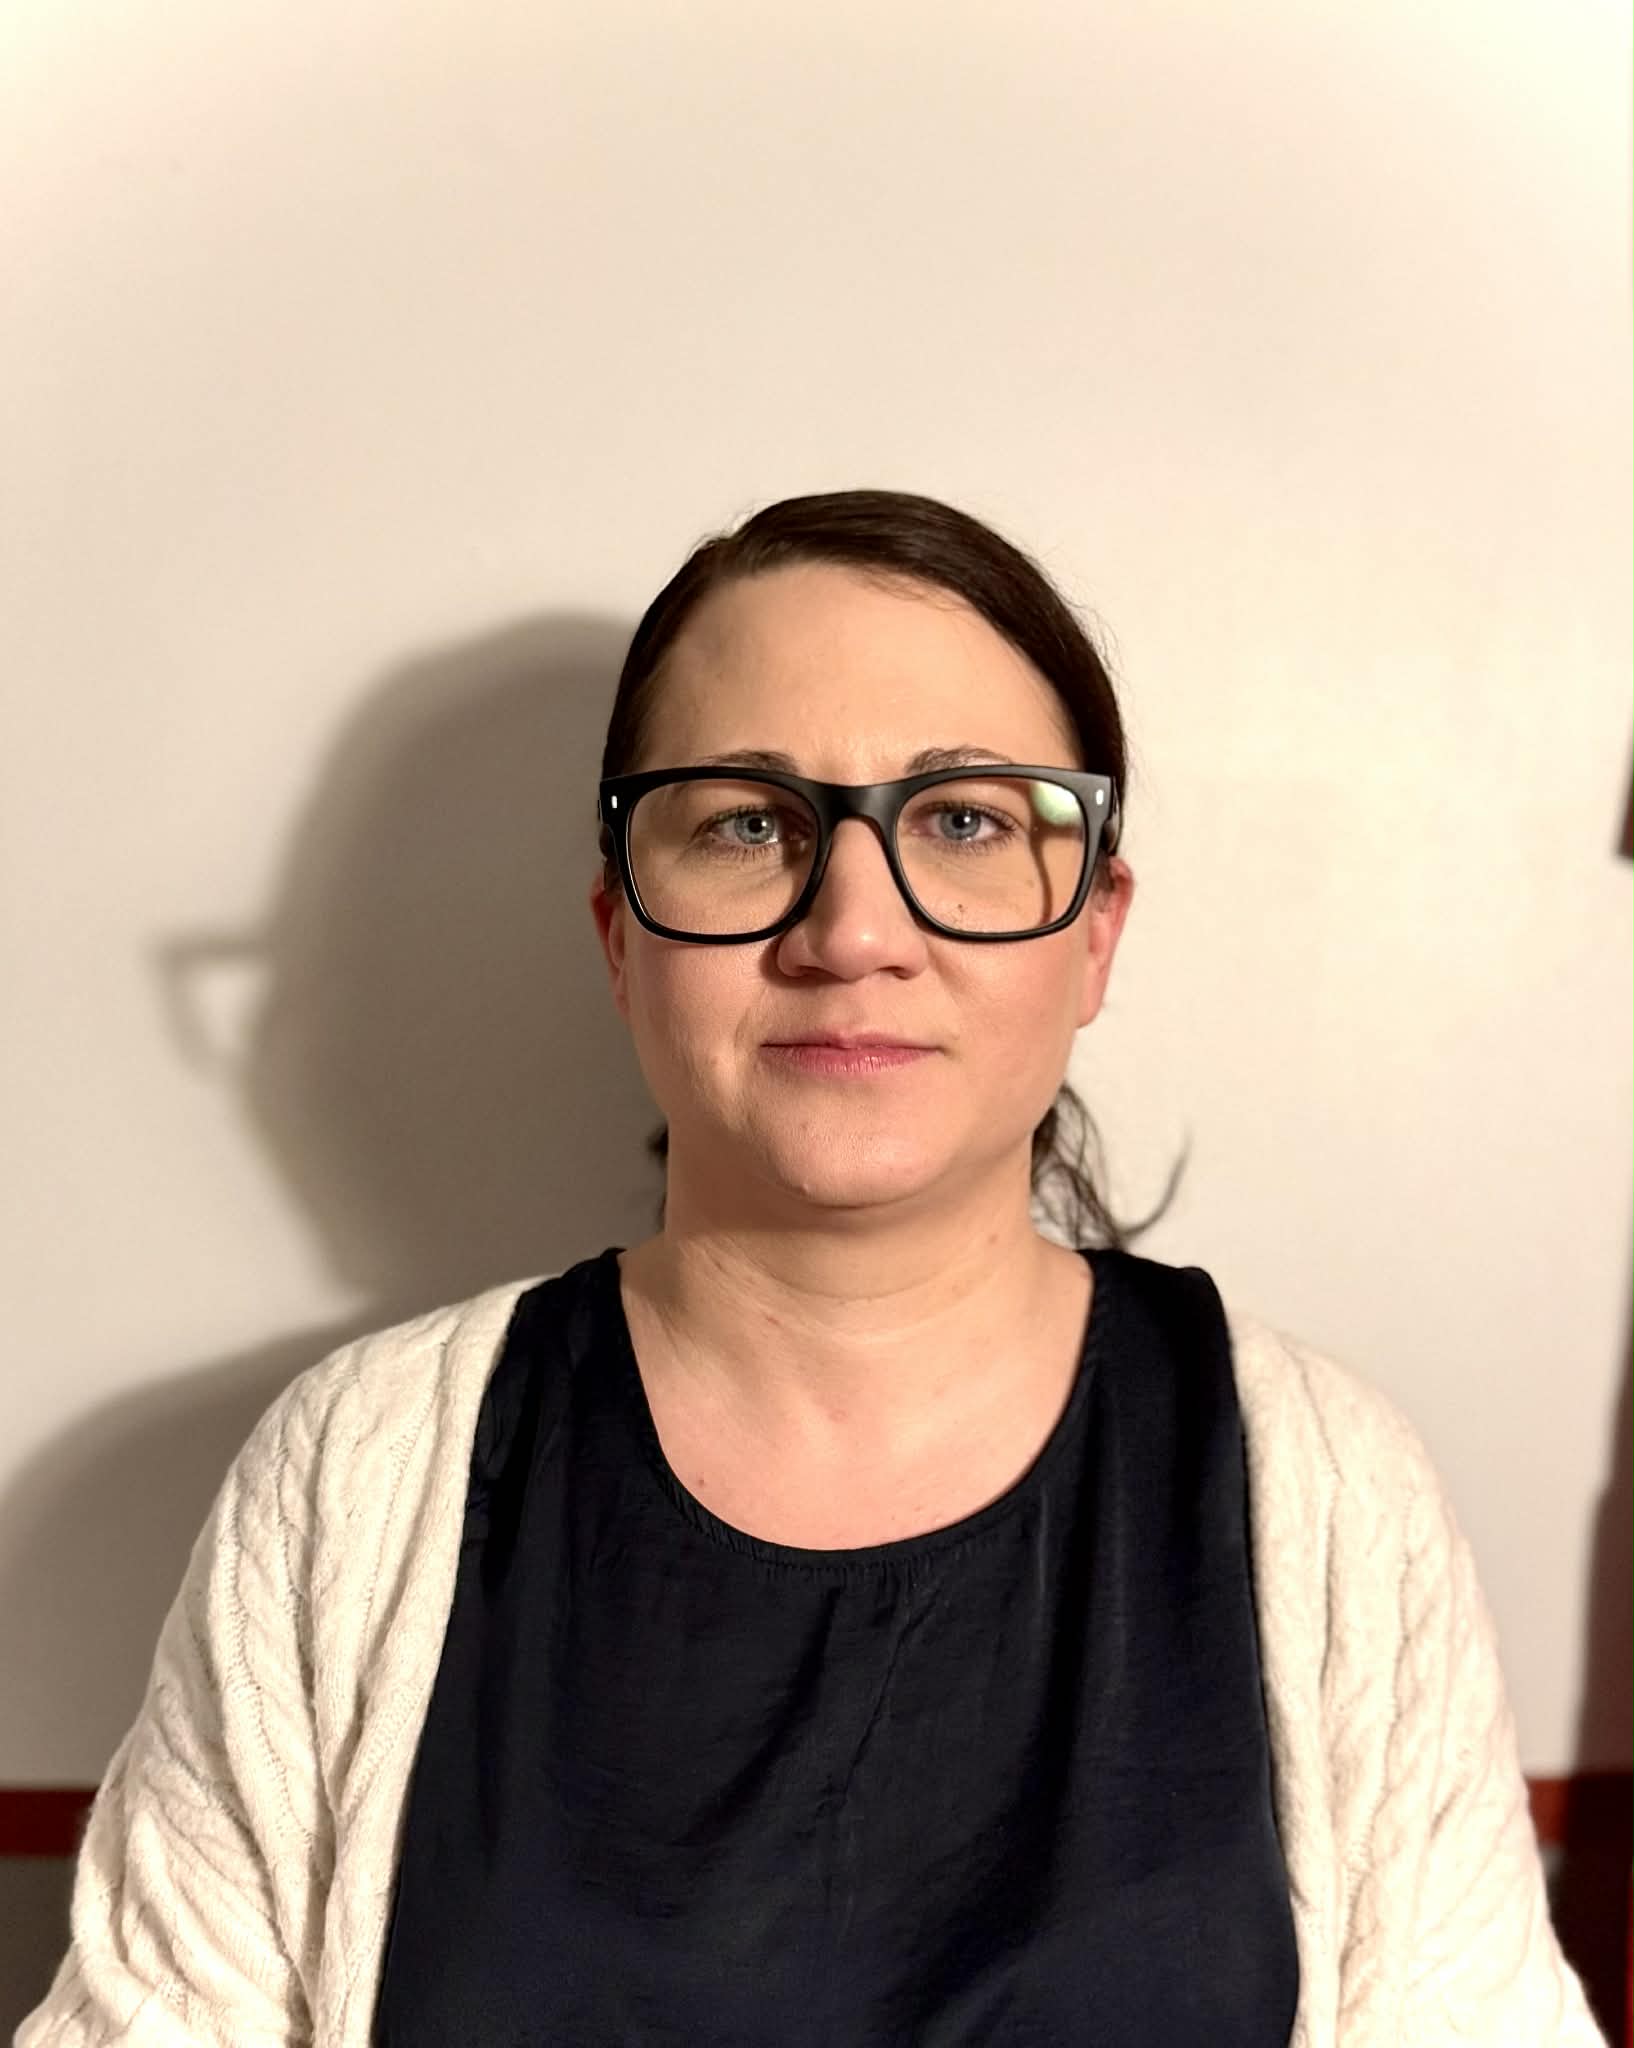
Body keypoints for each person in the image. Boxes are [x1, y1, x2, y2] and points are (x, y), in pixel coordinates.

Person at [18, 490, 1605, 2047]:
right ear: (620, 935)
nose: (851, 932)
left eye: (965, 821)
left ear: (1093, 933)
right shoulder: (352, 1473)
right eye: (745, 824)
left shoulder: (1326, 1488)